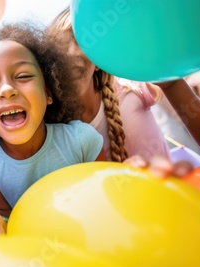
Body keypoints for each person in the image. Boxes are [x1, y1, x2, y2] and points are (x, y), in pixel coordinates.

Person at [0, 22, 107, 237]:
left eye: (23, 76)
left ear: (49, 93)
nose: (6, 90)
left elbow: (108, 194)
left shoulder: (81, 139)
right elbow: (6, 215)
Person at [45, 8, 170, 162]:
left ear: (99, 60)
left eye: (82, 41)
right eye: (61, 46)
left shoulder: (130, 89)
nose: (71, 53)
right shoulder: (56, 129)